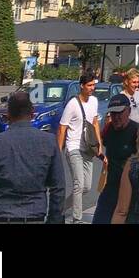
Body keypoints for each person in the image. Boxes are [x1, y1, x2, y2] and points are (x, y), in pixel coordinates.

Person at [0, 88, 64, 224]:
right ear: (32, 114)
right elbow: (58, 187)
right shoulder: (48, 142)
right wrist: (54, 219)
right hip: (34, 214)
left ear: (8, 115)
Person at [57, 71, 103, 224]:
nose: (92, 88)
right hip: (73, 147)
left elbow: (95, 123)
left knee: (87, 187)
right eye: (89, 85)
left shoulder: (94, 101)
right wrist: (58, 151)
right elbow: (62, 128)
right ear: (81, 86)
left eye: (93, 85)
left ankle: (60, 209)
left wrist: (99, 143)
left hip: (88, 148)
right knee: (79, 184)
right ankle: (77, 219)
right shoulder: (72, 104)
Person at [92, 94, 138, 224]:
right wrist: (96, 150)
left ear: (128, 111)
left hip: (130, 188)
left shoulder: (137, 131)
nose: (116, 117)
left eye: (120, 113)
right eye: (113, 113)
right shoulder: (109, 129)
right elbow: (102, 146)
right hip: (110, 186)